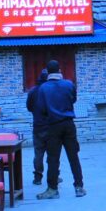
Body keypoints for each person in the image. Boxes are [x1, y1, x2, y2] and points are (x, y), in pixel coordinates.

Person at [32, 60, 85, 198]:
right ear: (59, 70)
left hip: (53, 126)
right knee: (73, 156)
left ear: (48, 72)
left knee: (53, 158)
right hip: (69, 124)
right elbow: (73, 100)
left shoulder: (43, 88)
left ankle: (52, 189)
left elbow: (41, 109)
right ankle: (79, 187)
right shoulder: (68, 84)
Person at [26, 68, 49, 185]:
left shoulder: (33, 91)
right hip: (51, 126)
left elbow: (29, 107)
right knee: (53, 154)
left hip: (38, 126)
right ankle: (55, 175)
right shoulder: (51, 90)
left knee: (38, 153)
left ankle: (38, 177)